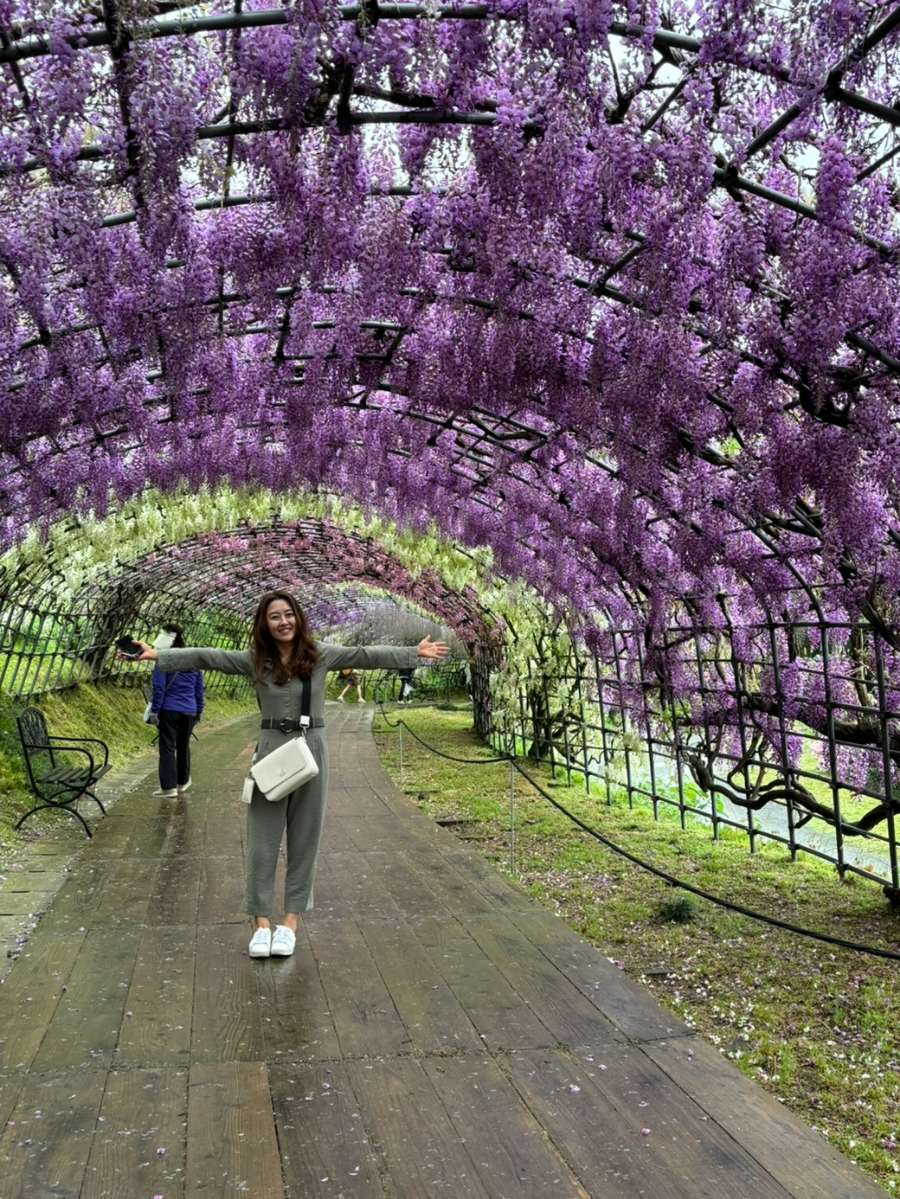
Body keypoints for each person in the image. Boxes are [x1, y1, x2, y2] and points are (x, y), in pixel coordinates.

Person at [123, 591, 448, 960]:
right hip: (271, 749)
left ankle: (289, 924)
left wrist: (412, 652)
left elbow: (365, 654)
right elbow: (207, 657)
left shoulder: (321, 653)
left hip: (313, 750)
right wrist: (157, 655)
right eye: (274, 617)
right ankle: (261, 924)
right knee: (261, 837)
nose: (283, 622)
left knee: (305, 837)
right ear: (265, 624)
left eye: (288, 614)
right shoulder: (255, 661)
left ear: (298, 617)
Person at [148, 624, 204, 799]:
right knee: (183, 745)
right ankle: (182, 782)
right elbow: (199, 689)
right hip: (189, 710)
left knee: (167, 747)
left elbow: (159, 688)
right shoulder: (192, 660)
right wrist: (199, 711)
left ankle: (168, 788)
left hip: (169, 709)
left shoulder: (163, 660)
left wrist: (154, 711)